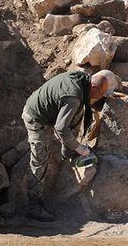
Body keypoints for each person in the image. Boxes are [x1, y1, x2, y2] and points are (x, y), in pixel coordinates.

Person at [21, 70, 112, 222]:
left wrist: (106, 94)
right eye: (98, 94)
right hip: (36, 117)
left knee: (78, 113)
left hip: (50, 110)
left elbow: (92, 92)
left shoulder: (83, 79)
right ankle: (33, 206)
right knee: (40, 159)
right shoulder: (73, 98)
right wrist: (79, 147)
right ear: (94, 87)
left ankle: (66, 150)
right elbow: (61, 128)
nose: (97, 98)